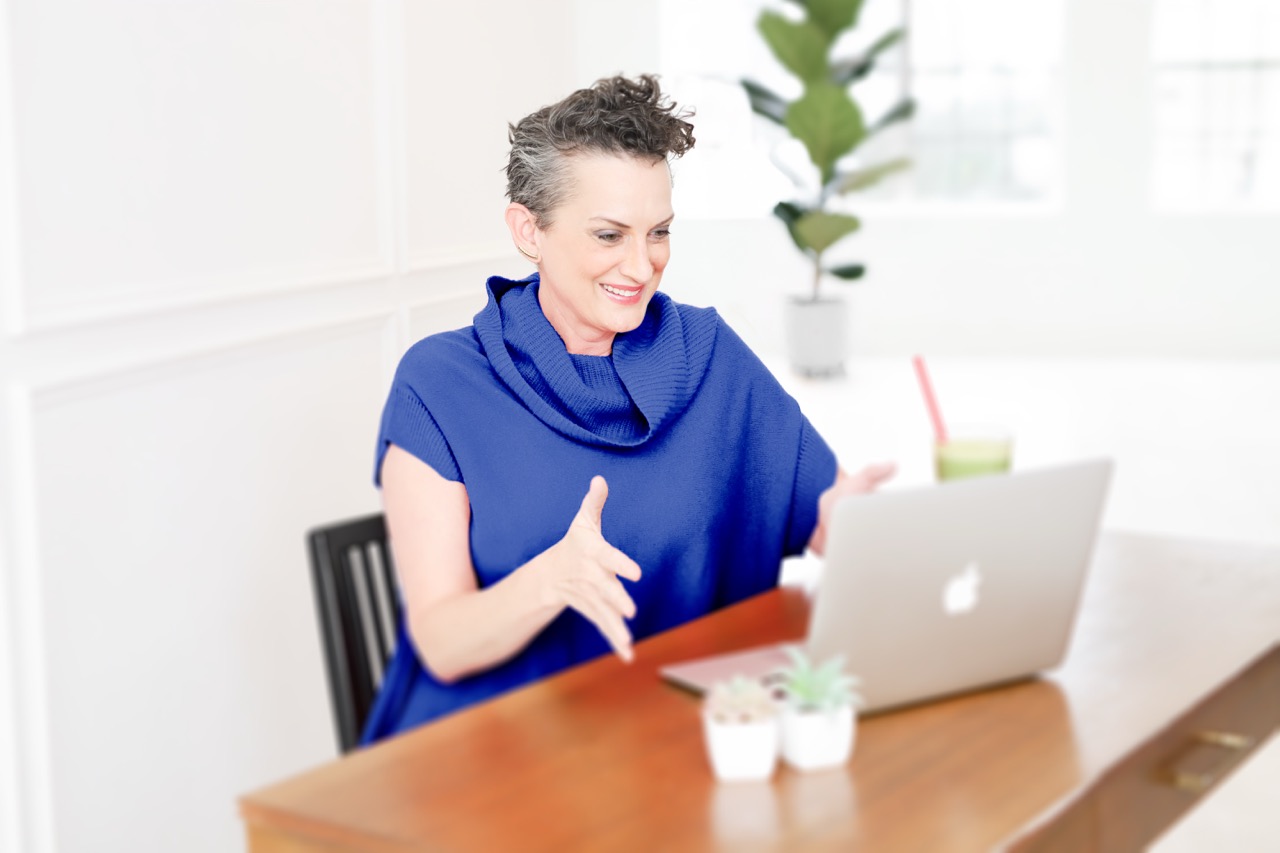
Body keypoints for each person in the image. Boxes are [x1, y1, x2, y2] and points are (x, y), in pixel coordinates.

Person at [362, 74, 894, 744]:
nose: (642, 266)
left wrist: (857, 519)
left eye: (659, 232)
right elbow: (442, 641)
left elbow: (823, 516)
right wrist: (551, 580)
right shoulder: (440, 382)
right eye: (610, 235)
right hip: (487, 753)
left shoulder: (709, 356)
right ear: (529, 230)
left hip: (669, 738)